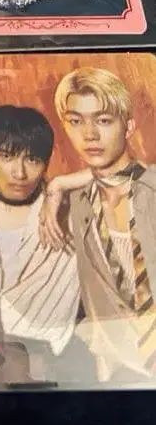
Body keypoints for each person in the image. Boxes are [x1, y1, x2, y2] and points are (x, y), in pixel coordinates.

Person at [40, 68, 156, 386]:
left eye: (103, 120)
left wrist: (60, 183)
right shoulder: (74, 204)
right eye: (75, 121)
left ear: (128, 126)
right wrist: (57, 187)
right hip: (118, 377)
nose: (89, 135)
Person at [0, 105, 82, 388]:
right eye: (7, 156)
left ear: (46, 163)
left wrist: (59, 185)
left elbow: (129, 174)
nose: (19, 173)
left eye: (32, 159)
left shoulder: (69, 210)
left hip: (46, 362)